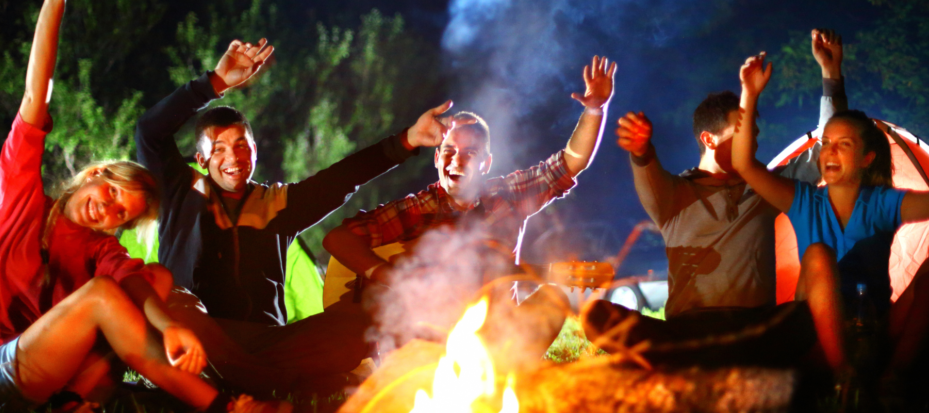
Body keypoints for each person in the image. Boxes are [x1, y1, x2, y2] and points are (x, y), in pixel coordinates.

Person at [0, 0, 288, 413]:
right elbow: (36, 93)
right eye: (112, 191)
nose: (107, 207)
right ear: (96, 173)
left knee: (155, 279)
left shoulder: (100, 249)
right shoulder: (20, 200)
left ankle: (73, 405)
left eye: (120, 213)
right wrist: (53, 6)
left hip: (52, 380)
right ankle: (225, 409)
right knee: (102, 293)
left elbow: (138, 284)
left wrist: (170, 326)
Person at [135, 36, 466, 395]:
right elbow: (149, 131)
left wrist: (407, 141)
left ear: (255, 152)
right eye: (219, 149)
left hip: (267, 341)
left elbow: (343, 178)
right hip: (201, 337)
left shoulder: (277, 203)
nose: (233, 157)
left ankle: (250, 383)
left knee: (361, 323)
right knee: (176, 306)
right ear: (200, 160)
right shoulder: (180, 189)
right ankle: (271, 385)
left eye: (242, 145)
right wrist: (214, 82)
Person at [323, 55, 617, 365]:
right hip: (432, 343)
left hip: (500, 335)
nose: (456, 161)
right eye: (448, 152)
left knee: (554, 300)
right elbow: (337, 239)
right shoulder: (420, 207)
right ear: (436, 159)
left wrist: (594, 109)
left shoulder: (509, 196)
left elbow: (571, 163)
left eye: (469, 153)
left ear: (486, 164)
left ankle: (510, 376)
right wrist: (393, 277)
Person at [587, 30, 848, 367]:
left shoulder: (765, 187)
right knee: (597, 314)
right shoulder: (675, 194)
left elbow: (826, 151)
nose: (753, 140)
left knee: (812, 309)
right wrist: (641, 148)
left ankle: (678, 368)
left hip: (754, 331)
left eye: (754, 131)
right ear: (709, 139)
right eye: (743, 131)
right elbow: (646, 168)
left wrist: (831, 74)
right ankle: (686, 363)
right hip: (688, 333)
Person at [731, 52, 929, 376]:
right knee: (818, 254)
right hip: (814, 336)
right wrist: (749, 95)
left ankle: (895, 378)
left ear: (867, 158)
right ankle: (843, 377)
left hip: (872, 328)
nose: (830, 151)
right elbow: (744, 165)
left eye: (844, 144)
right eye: (826, 143)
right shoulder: (803, 201)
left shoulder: (882, 203)